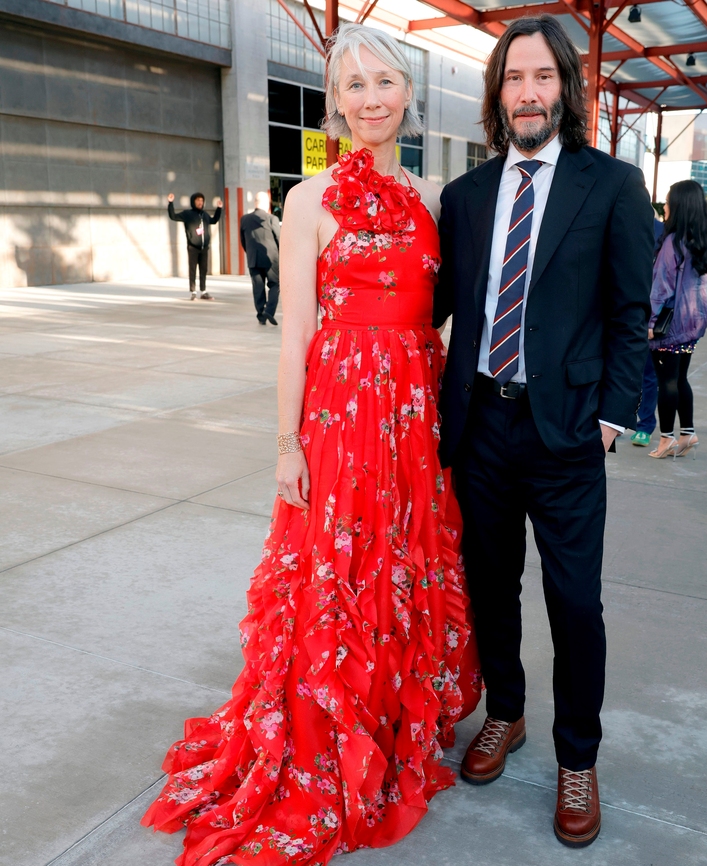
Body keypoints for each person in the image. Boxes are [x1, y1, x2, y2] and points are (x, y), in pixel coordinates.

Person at [143, 23, 480, 866]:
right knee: (338, 568)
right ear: (335, 105)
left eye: (384, 83)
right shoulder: (307, 200)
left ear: (409, 94)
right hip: (340, 411)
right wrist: (286, 442)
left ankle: (395, 717)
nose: (370, 100)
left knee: (404, 562)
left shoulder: (440, 199)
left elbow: (445, 313)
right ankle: (330, 727)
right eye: (353, 87)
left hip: (415, 407)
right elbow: (293, 330)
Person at [434, 15, 653, 848]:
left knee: (573, 604)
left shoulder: (613, 187)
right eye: (513, 78)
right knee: (492, 590)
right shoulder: (466, 196)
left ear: (566, 86)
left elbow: (634, 313)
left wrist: (611, 419)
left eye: (542, 77)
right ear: (497, 94)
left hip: (566, 434)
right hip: (481, 426)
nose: (527, 92)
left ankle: (578, 757)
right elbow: (435, 305)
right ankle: (508, 714)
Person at [648, 180, 707, 459]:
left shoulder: (673, 242)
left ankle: (666, 440)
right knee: (680, 378)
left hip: (669, 326)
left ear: (679, 206)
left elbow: (661, 287)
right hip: (693, 325)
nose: (664, 206)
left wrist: (651, 323)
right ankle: (687, 432)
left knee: (666, 381)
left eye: (667, 201)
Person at [631, 215, 665, 447]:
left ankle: (644, 425)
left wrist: (652, 321)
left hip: (644, 315)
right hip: (616, 309)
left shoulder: (661, 232)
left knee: (646, 375)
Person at [167, 191, 222, 300]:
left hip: (204, 247)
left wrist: (219, 209)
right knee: (192, 269)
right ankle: (193, 292)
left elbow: (214, 220)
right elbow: (173, 216)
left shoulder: (205, 215)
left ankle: (203, 291)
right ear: (193, 202)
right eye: (198, 200)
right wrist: (170, 203)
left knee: (203, 269)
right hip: (193, 247)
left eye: (201, 200)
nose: (200, 202)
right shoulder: (187, 214)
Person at [240, 191, 281, 326]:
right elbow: (279, 239)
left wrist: (250, 252)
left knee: (258, 287)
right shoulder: (271, 219)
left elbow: (243, 240)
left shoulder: (244, 219)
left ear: (255, 203)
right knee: (275, 284)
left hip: (253, 258)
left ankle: (260, 315)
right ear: (267, 203)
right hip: (271, 259)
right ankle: (269, 310)